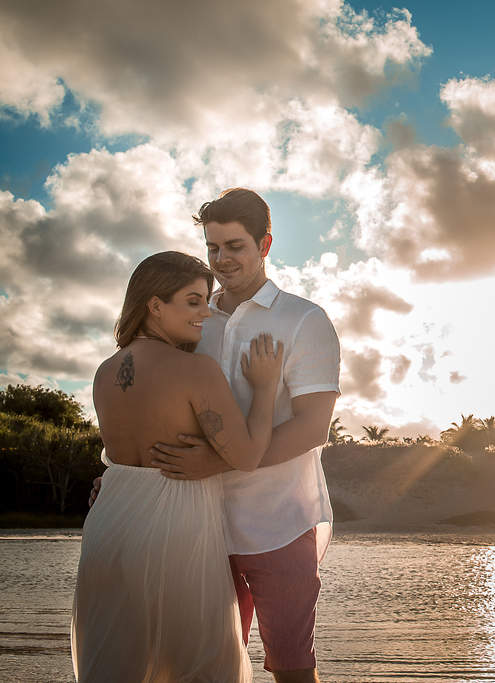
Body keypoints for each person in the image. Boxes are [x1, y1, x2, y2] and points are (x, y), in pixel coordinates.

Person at [149, 188, 340, 683]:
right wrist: (122, 477)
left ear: (265, 244)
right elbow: (164, 411)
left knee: (292, 668)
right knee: (205, 666)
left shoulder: (304, 319)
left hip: (279, 521)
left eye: (234, 246)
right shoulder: (192, 320)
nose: (221, 259)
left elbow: (312, 427)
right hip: (200, 521)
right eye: (212, 248)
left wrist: (218, 462)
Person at [74, 251, 283, 683]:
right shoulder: (194, 370)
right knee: (197, 665)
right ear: (154, 305)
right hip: (174, 524)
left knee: (116, 664)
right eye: (193, 301)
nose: (206, 312)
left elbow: (118, 456)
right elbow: (245, 456)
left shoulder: (103, 372)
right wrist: (265, 389)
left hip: (108, 525)